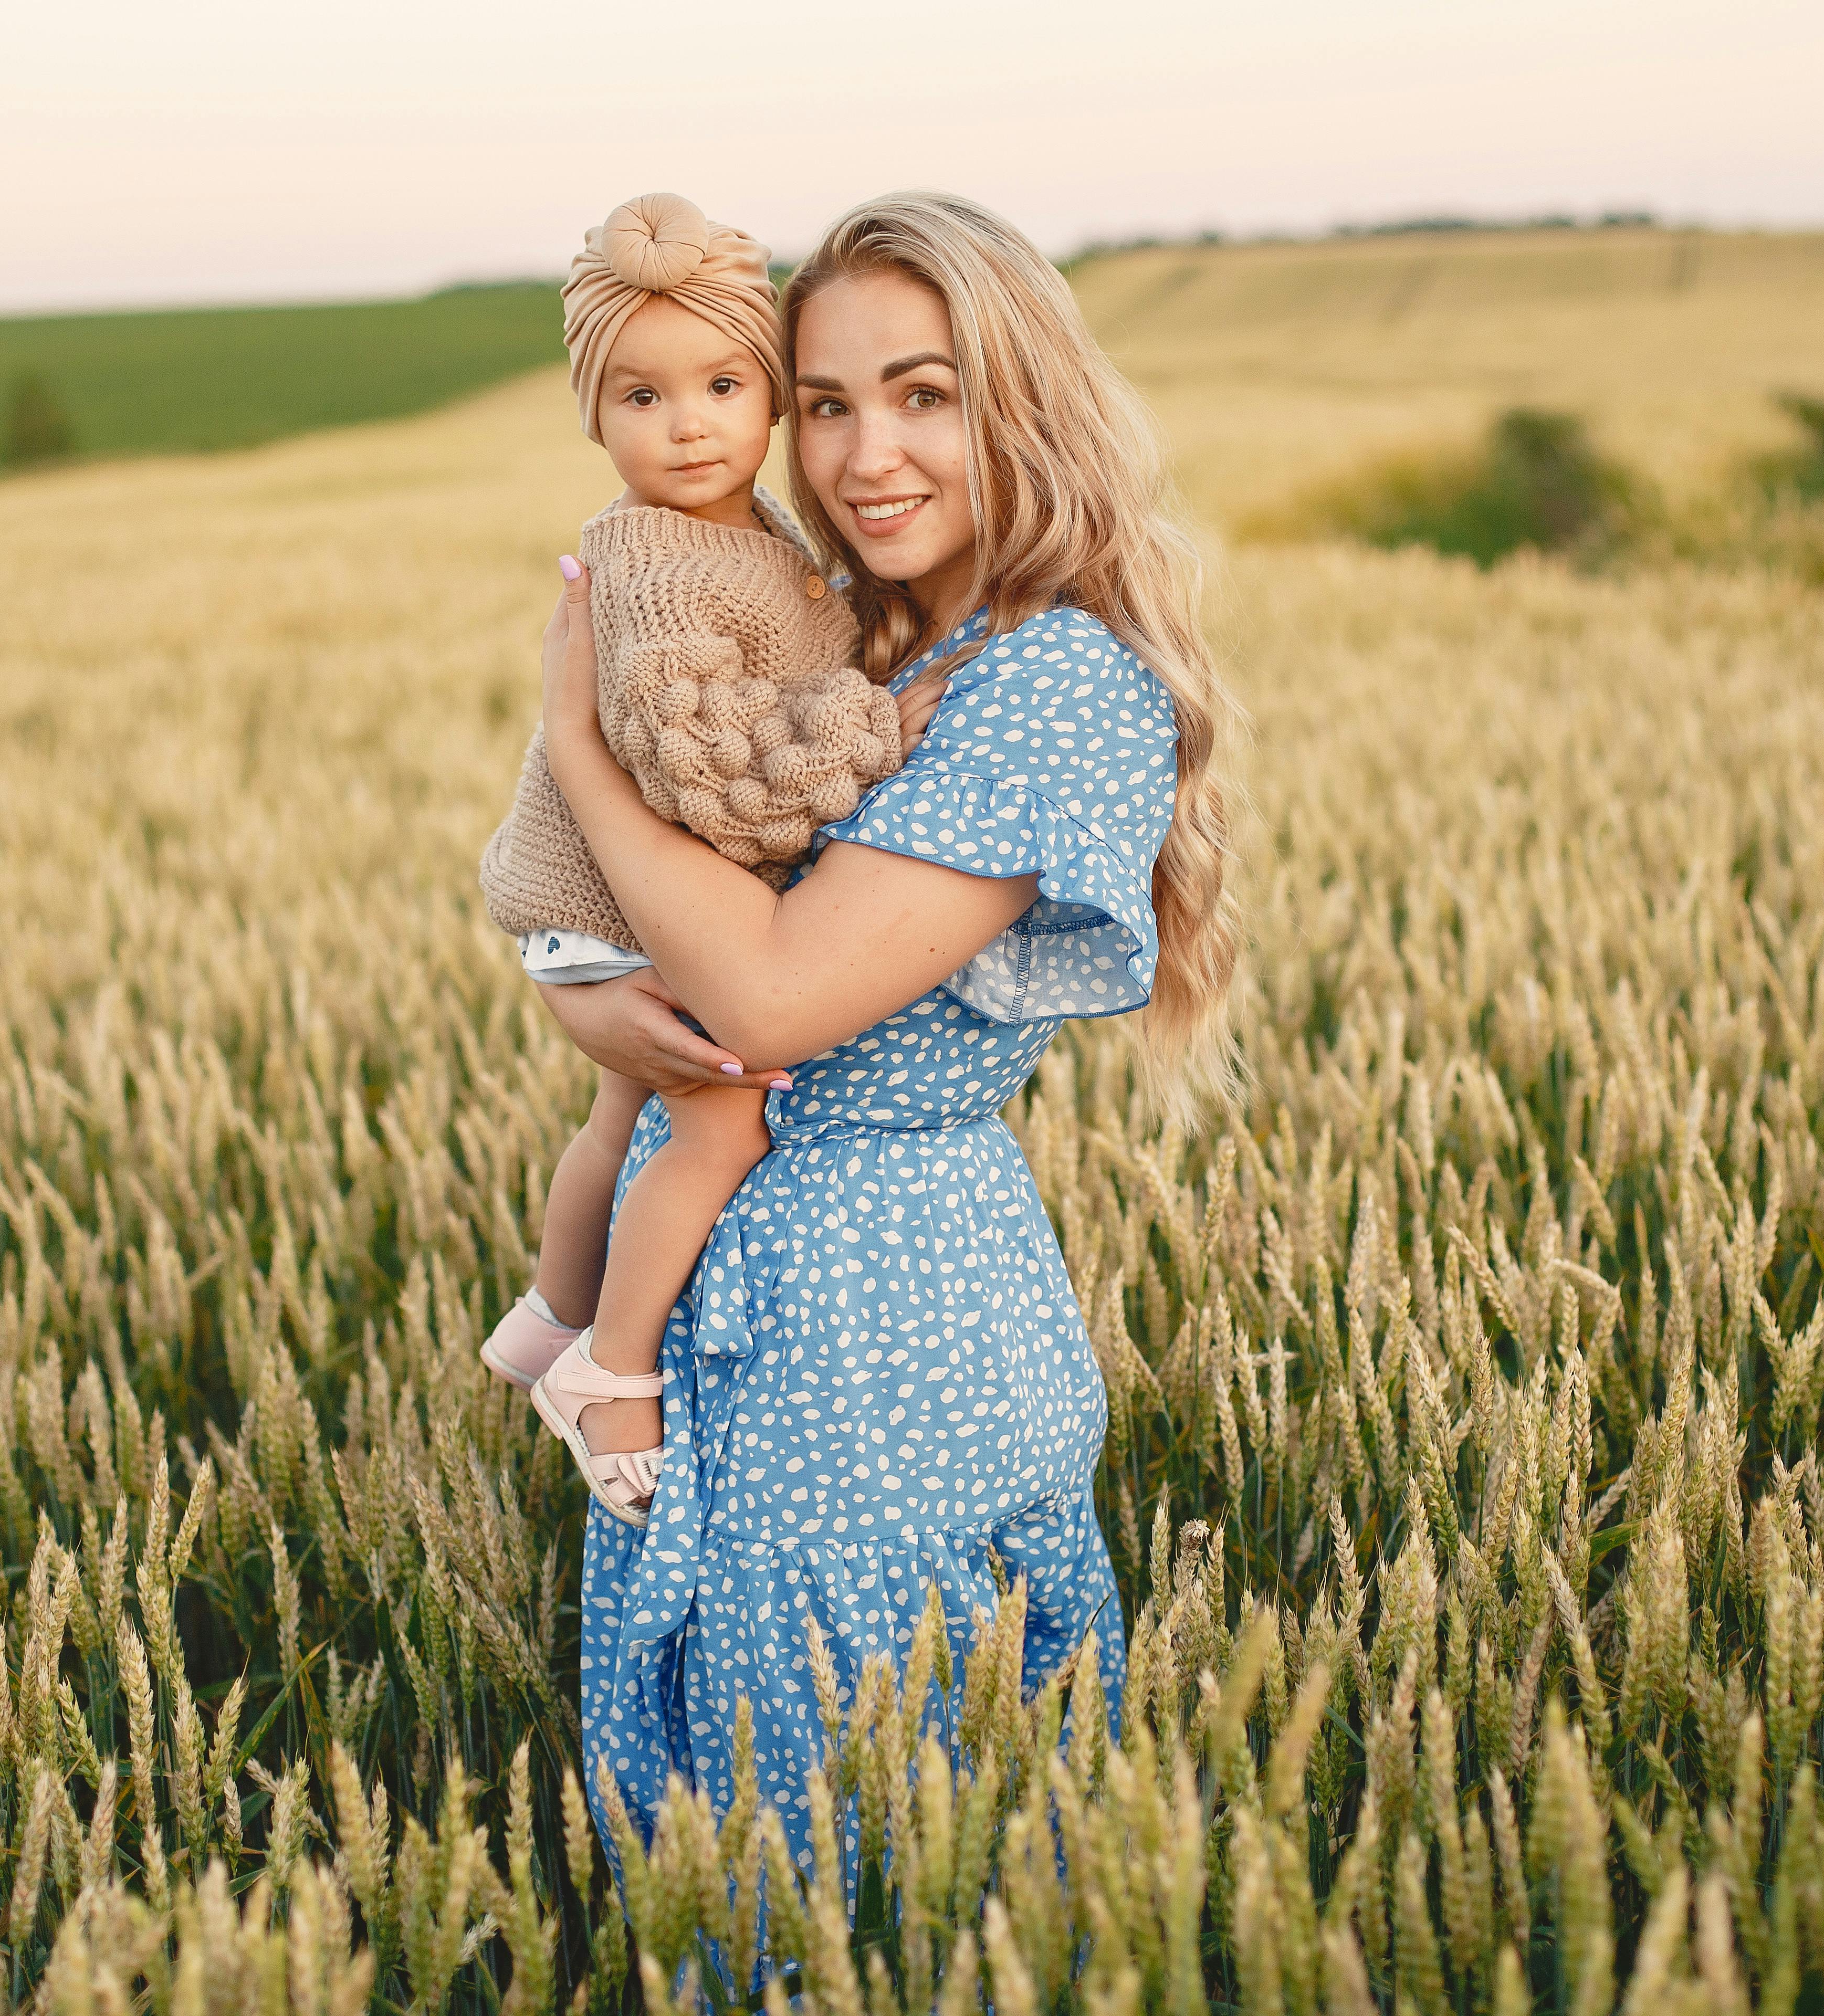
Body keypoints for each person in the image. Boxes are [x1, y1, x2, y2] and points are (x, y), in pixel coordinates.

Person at [530, 187, 1244, 1872]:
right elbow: (681, 926)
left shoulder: (1052, 680)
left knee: (875, 1832)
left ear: (1023, 401)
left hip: (877, 1325)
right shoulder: (888, 631)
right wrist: (570, 984)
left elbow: (768, 994)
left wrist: (574, 746)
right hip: (739, 1292)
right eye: (832, 401)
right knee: (744, 1797)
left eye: (924, 394)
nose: (866, 456)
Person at [475, 193, 921, 1527]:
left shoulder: (745, 529)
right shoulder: (666, 568)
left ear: (773, 395)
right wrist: (879, 721)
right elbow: (715, 780)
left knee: (618, 1116)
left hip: (584, 894)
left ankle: (552, 1315)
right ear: (592, 415)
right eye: (640, 397)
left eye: (725, 384)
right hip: (618, 896)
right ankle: (611, 1368)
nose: (688, 424)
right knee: (716, 1122)